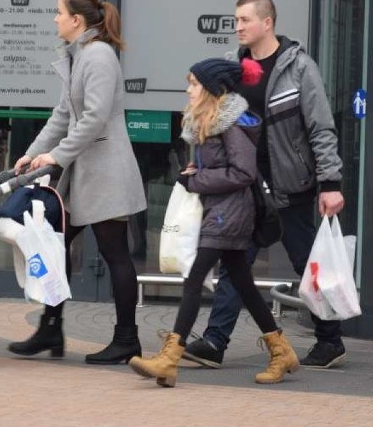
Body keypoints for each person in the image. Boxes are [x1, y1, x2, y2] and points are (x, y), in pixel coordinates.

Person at [182, 0, 347, 370]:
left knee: (308, 264)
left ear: (267, 22)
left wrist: (330, 181)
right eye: (236, 20)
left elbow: (321, 126)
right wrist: (200, 168)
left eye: (245, 19)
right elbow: (212, 122)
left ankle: (330, 339)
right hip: (244, 188)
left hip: (291, 186)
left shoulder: (299, 68)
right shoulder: (230, 69)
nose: (237, 26)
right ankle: (215, 340)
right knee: (233, 261)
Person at [129, 59, 300, 387]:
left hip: (229, 215)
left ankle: (170, 358)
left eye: (194, 84)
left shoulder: (232, 126)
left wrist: (198, 180)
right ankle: (281, 350)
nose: (188, 90)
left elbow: (243, 172)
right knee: (245, 287)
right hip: (222, 212)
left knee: (194, 280)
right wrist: (195, 173)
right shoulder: (209, 125)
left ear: (212, 89)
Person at [7, 0, 147, 365]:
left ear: (76, 20)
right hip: (85, 172)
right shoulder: (78, 56)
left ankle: (127, 339)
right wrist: (33, 154)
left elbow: (94, 117)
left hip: (106, 172)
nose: (54, 18)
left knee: (115, 253)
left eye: (58, 12)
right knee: (55, 243)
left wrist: (55, 155)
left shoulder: (98, 56)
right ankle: (51, 329)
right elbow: (63, 115)